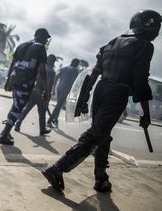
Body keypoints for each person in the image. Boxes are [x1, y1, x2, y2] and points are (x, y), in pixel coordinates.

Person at [41, 10, 161, 193]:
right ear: (149, 25)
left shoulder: (111, 43)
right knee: (96, 135)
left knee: (103, 136)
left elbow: (95, 72)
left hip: (101, 90)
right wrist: (146, 113)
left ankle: (101, 179)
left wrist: (85, 97)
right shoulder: (144, 46)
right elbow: (140, 79)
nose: (158, 30)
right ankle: (57, 168)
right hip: (117, 93)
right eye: (157, 25)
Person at [0, 28, 51, 145]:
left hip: (14, 79)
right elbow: (42, 71)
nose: (46, 41)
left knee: (15, 105)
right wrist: (47, 90)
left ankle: (5, 132)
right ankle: (4, 135)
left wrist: (8, 80)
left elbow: (12, 63)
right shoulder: (40, 48)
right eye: (46, 38)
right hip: (25, 82)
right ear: (41, 36)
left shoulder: (22, 45)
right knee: (17, 108)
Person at [14, 54, 57, 136]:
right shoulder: (52, 71)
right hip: (42, 93)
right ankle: (42, 129)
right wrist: (48, 95)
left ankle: (18, 123)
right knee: (42, 112)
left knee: (26, 108)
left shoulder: (40, 67)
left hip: (33, 91)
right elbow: (50, 84)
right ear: (53, 62)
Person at [47, 58, 80, 128]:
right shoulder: (75, 71)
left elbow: (56, 77)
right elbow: (74, 82)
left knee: (59, 104)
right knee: (58, 105)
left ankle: (55, 119)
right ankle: (49, 120)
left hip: (59, 88)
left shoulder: (64, 68)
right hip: (66, 89)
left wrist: (54, 87)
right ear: (76, 64)